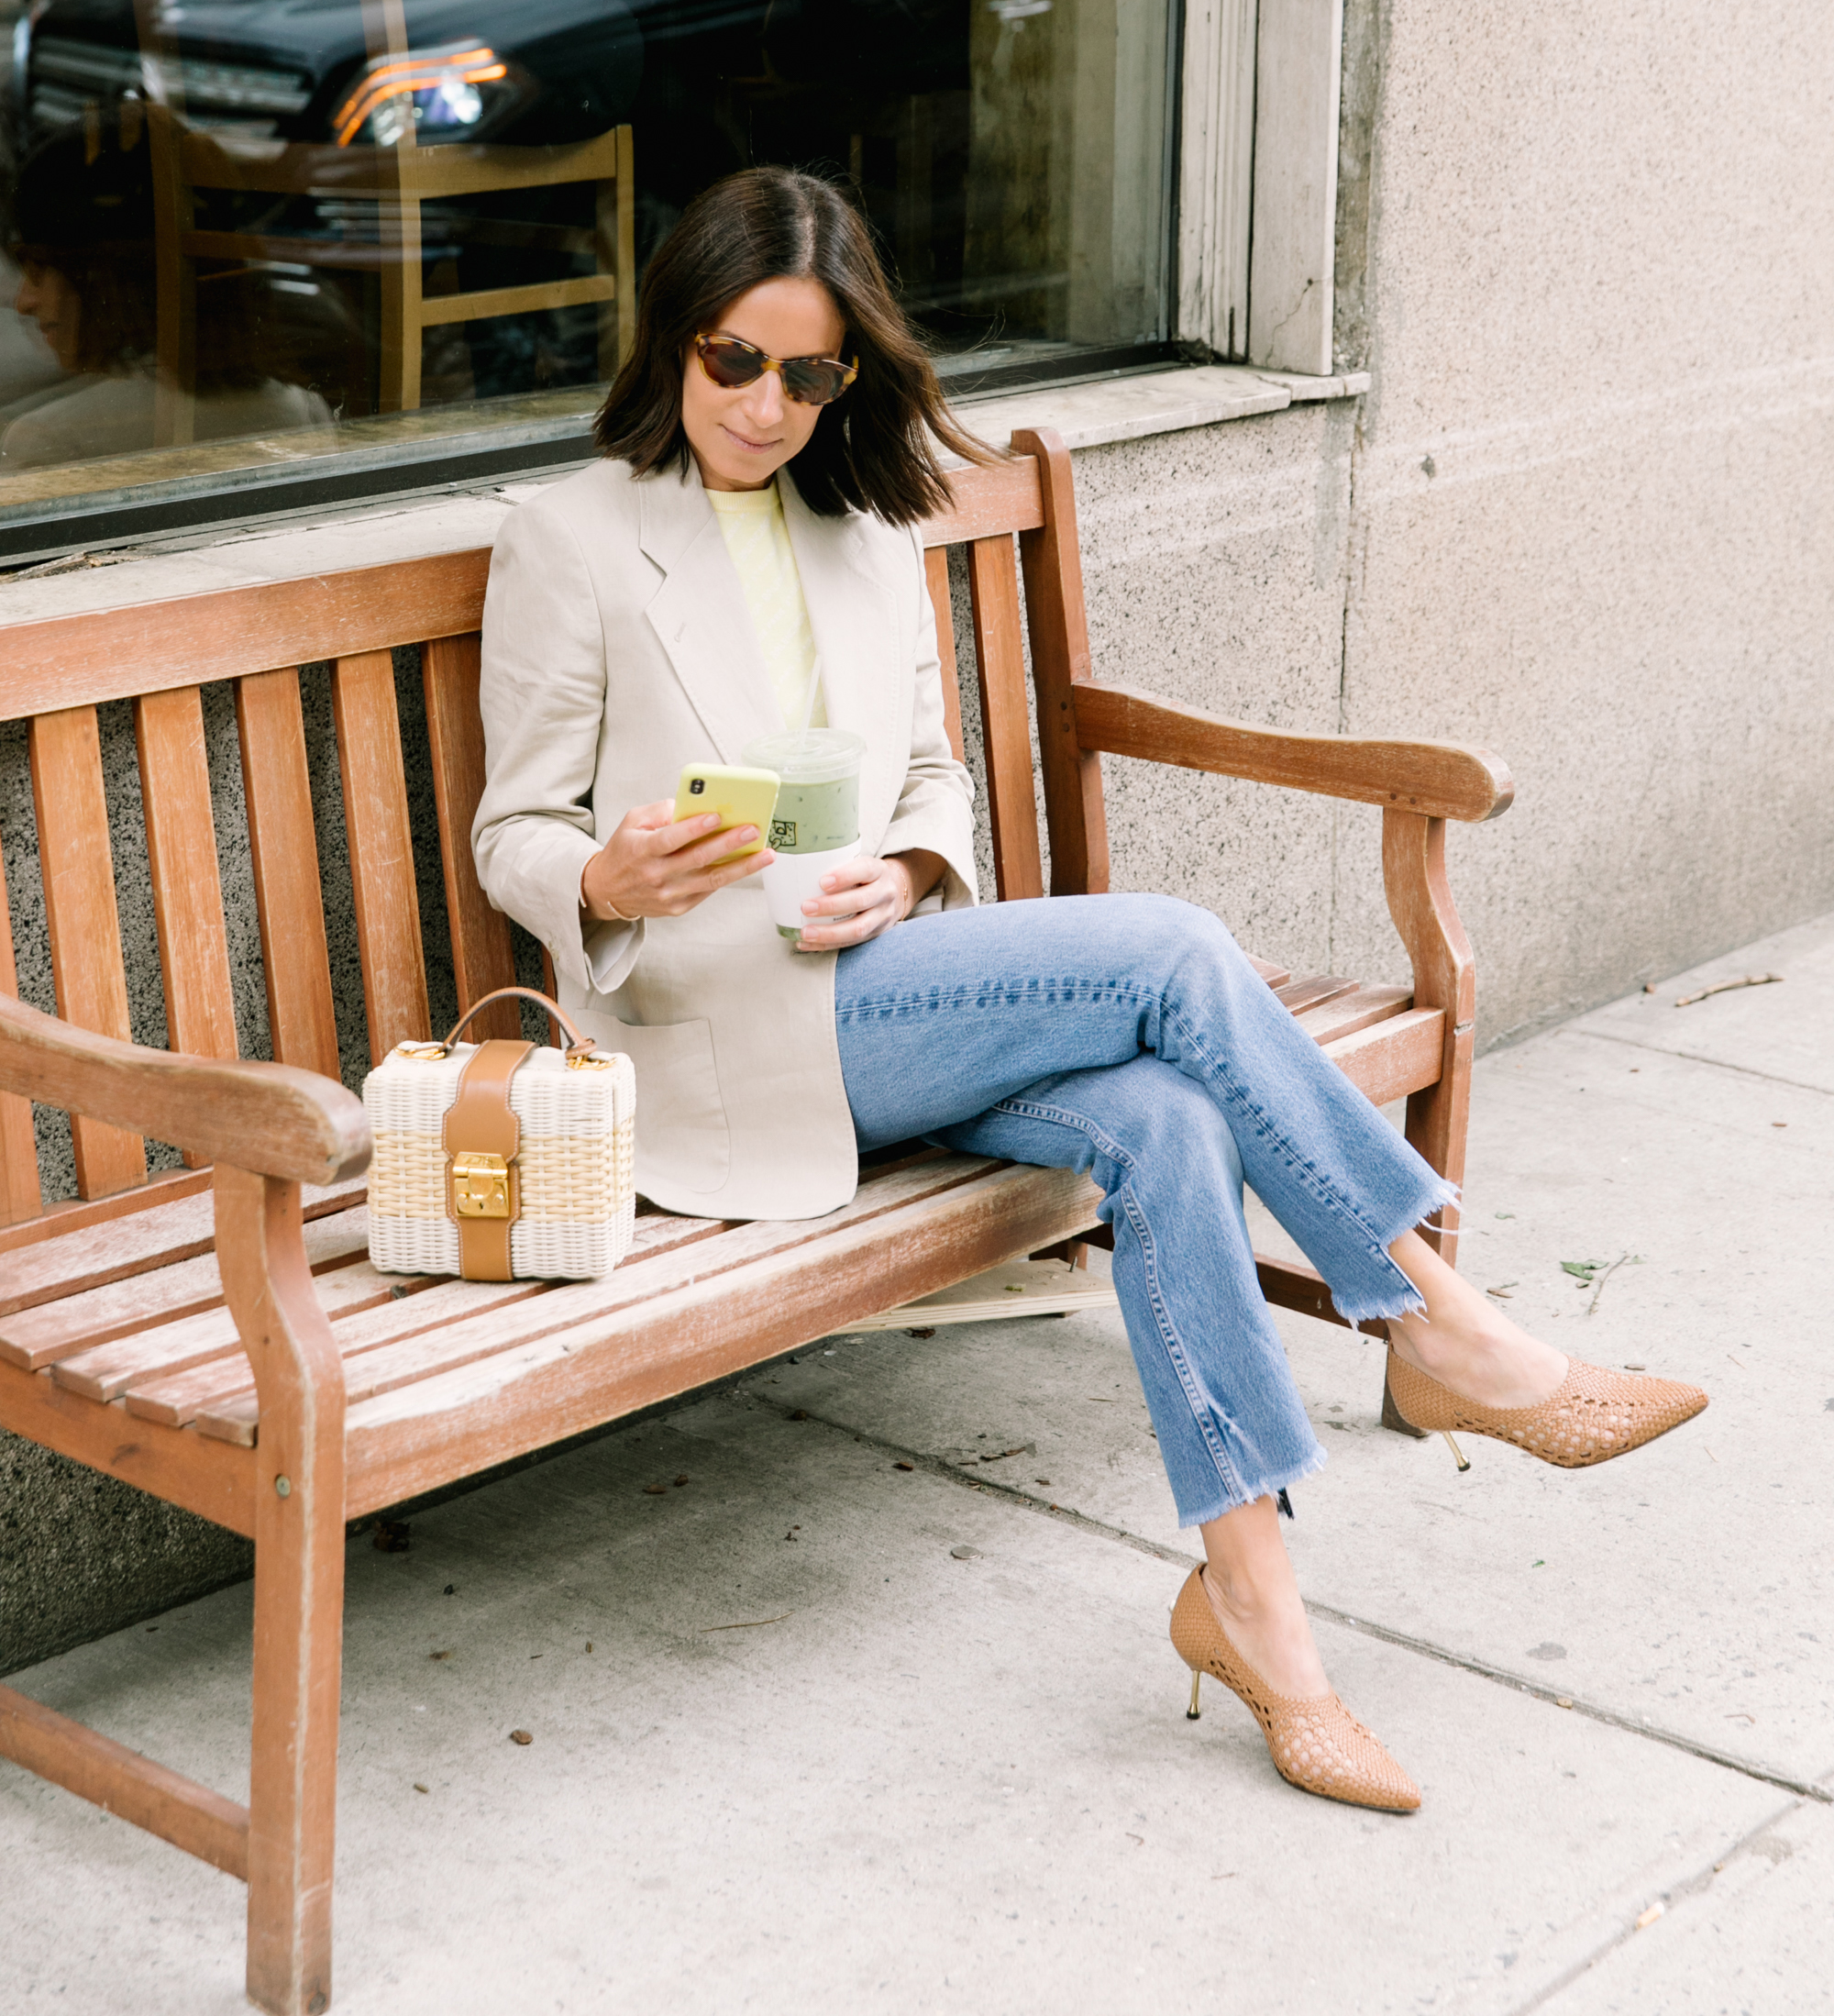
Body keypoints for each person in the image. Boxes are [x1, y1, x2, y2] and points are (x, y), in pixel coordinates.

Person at [473, 166, 1708, 1815]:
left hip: (884, 988)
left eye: (811, 374)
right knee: (1176, 951)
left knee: (1166, 1116)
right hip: (720, 1041)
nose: (768, 406)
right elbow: (514, 833)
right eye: (732, 362)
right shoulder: (571, 538)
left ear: (851, 378)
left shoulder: (862, 531)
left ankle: (1253, 1610)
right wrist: (605, 878)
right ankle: (1441, 1326)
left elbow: (923, 775)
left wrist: (905, 874)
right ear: (672, 346)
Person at [2, 105, 334, 469]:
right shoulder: (303, 412)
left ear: (104, 280)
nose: (23, 302)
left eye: (38, 272)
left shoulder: (47, 441)